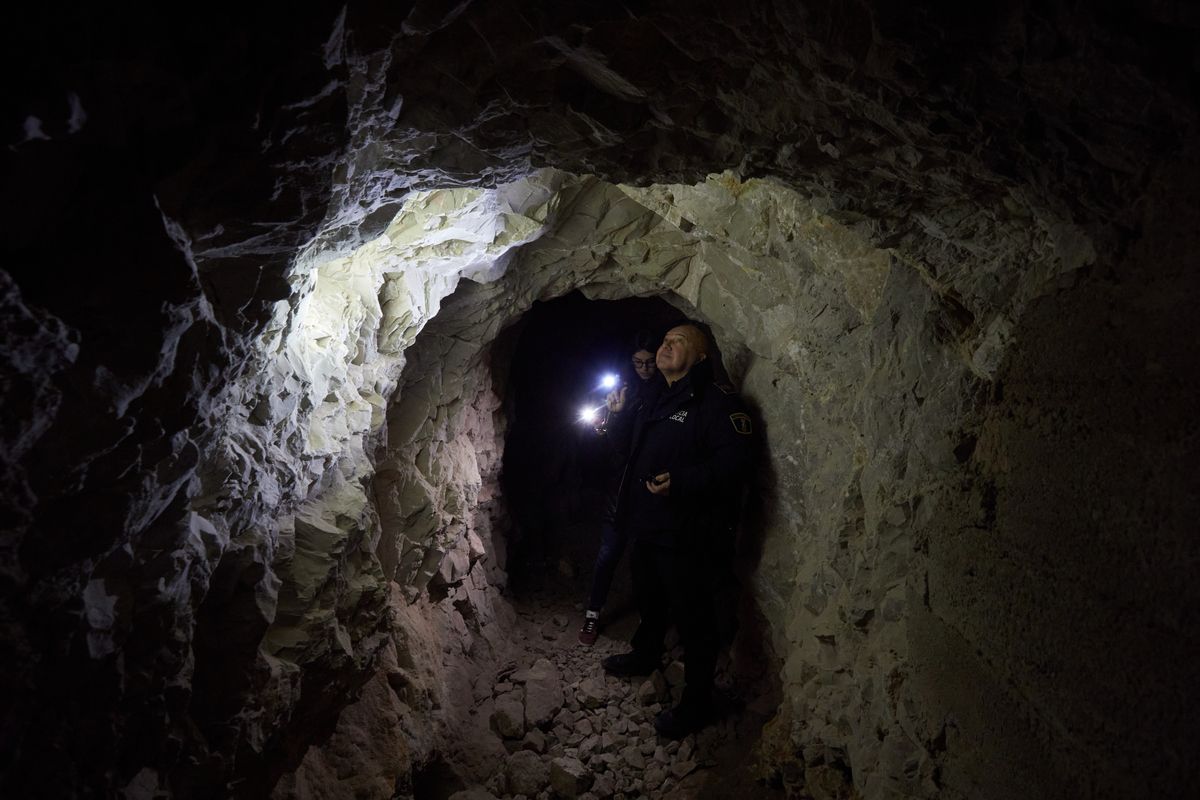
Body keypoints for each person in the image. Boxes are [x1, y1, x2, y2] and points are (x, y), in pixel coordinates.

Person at [599, 320, 756, 739]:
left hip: (688, 533)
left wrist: (683, 482)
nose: (666, 345)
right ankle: (644, 654)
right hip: (648, 527)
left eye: (677, 342)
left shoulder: (716, 403)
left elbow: (737, 464)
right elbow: (627, 456)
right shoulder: (658, 398)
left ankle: (697, 704)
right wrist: (615, 421)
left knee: (694, 620)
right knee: (649, 597)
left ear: (701, 357)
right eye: (664, 339)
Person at [578, 332, 660, 646]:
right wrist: (611, 421)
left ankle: (650, 620)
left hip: (649, 493)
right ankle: (593, 614)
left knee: (645, 560)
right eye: (638, 362)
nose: (644, 368)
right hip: (622, 489)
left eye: (650, 362)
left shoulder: (664, 393)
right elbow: (617, 452)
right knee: (608, 554)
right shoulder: (626, 392)